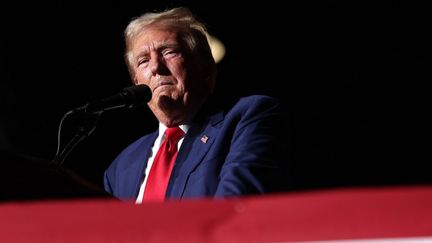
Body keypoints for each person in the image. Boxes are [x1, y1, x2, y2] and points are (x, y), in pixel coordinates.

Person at [103, 7, 290, 202]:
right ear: (136, 82)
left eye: (168, 52)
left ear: (204, 68)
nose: (156, 67)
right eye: (143, 60)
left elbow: (235, 205)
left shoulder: (246, 119)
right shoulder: (121, 167)